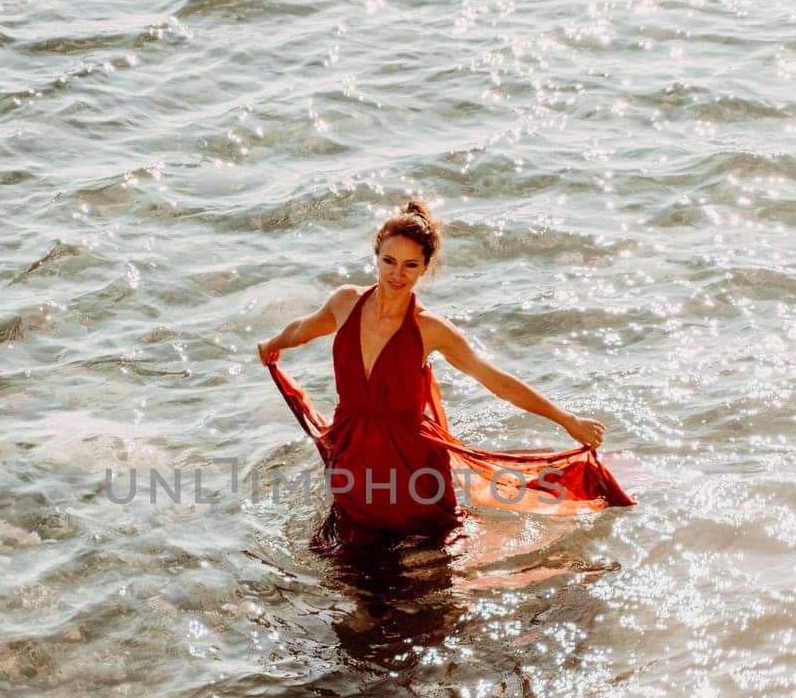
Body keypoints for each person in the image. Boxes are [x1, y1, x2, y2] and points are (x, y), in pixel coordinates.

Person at [258, 197, 634, 555]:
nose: (397, 274)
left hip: (412, 468)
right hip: (354, 458)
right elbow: (303, 329)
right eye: (389, 261)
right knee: (354, 570)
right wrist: (272, 343)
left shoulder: (430, 329)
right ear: (376, 257)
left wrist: (568, 420)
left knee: (429, 568)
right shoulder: (345, 303)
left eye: (410, 265)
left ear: (425, 268)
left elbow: (496, 380)